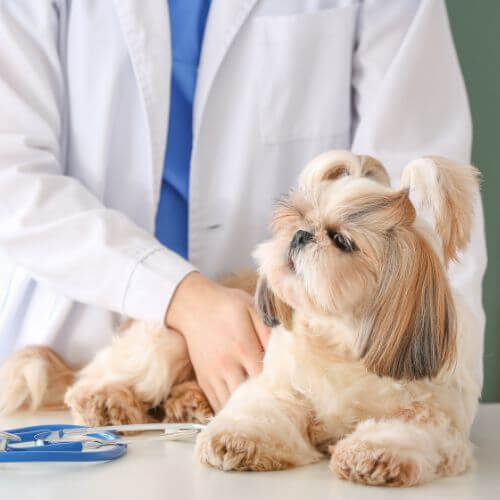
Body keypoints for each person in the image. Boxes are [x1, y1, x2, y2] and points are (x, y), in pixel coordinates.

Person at [0, 0, 487, 412]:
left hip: (293, 376)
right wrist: (183, 300)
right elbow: (13, 172)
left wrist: (434, 394)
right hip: (72, 362)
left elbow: (418, 201)